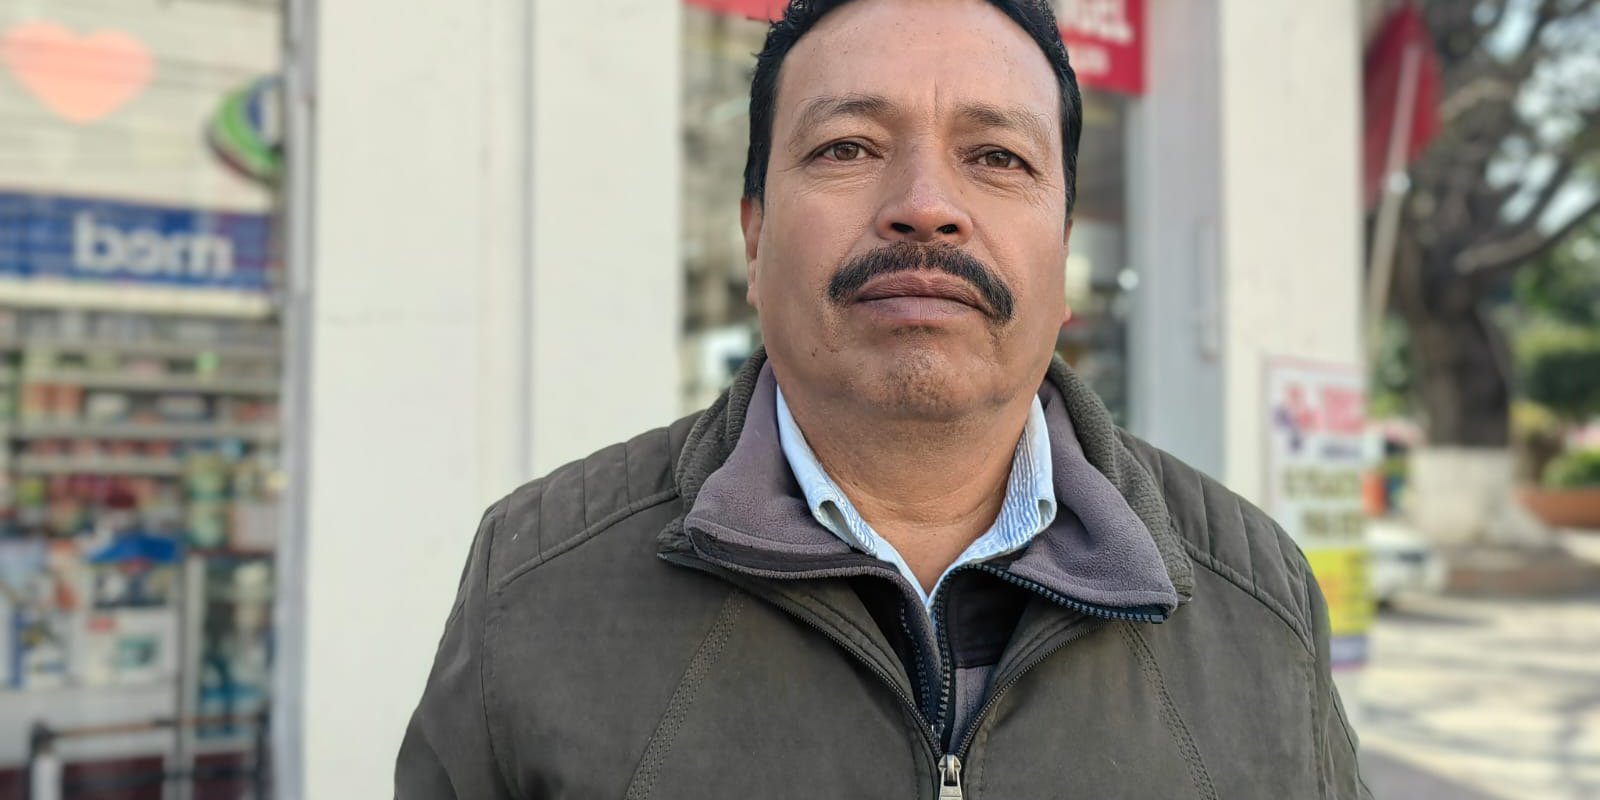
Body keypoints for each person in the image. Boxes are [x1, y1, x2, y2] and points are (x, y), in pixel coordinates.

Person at [396, 0, 1372, 797]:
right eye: (848, 147)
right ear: (753, 239)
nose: (924, 205)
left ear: (1063, 254)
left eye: (997, 157)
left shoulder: (1261, 605)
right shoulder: (534, 582)